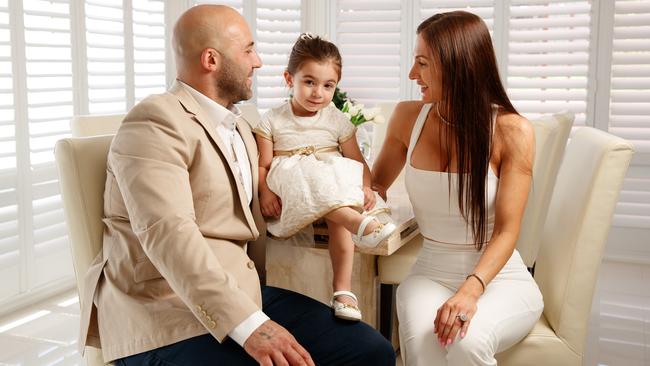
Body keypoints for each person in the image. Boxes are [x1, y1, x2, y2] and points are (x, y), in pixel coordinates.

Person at [77, 5, 395, 366]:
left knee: (371, 352)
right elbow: (169, 234)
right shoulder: (155, 121)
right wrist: (250, 326)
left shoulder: (241, 127)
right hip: (165, 314)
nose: (257, 61)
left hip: (242, 293)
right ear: (212, 59)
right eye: (248, 49)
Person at [371, 11, 544, 366]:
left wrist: (471, 290)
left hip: (499, 280)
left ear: (457, 65)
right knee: (424, 346)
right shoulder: (408, 118)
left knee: (467, 341)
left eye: (422, 63)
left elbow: (508, 230)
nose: (411, 75)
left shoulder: (512, 131)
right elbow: (375, 186)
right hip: (429, 274)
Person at [254, 33, 396, 322]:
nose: (318, 92)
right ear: (288, 78)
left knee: (337, 208)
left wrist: (366, 187)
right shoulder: (271, 119)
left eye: (328, 85)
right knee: (312, 176)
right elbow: (263, 166)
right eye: (309, 82)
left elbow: (357, 161)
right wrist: (264, 192)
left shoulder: (337, 119)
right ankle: (359, 224)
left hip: (329, 186)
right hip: (291, 183)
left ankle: (342, 291)